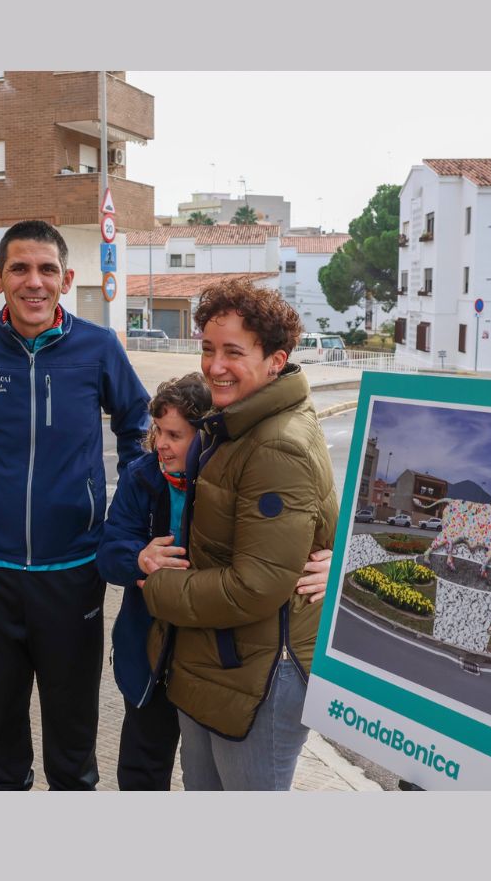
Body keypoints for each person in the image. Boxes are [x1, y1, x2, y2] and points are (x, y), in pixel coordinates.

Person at [0, 220, 150, 790]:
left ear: (68, 278)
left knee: (73, 744)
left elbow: (139, 428)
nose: (34, 282)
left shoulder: (97, 347)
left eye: (47, 269)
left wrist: (121, 521)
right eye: (20, 269)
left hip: (74, 573)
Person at [141, 279, 338, 791]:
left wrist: (159, 591)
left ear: (277, 359)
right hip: (220, 658)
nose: (215, 366)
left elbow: (256, 584)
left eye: (233, 351)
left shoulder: (276, 444)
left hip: (260, 673)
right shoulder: (234, 423)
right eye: (208, 349)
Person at [97, 373, 333, 790]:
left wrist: (336, 562)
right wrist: (136, 559)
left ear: (204, 436)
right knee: (140, 773)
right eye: (157, 431)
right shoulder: (142, 476)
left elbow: (293, 538)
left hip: (210, 663)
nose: (161, 445)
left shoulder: (231, 481)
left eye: (175, 434)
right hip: (147, 659)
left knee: (201, 777)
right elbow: (108, 554)